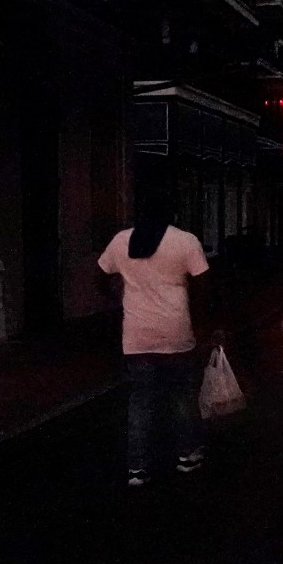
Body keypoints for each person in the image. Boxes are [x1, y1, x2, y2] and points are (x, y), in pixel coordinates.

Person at [97, 180, 210, 488]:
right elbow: (203, 289)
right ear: (171, 209)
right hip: (176, 333)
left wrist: (123, 295)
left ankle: (137, 467)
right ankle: (186, 455)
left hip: (136, 336)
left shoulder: (122, 241)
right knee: (182, 397)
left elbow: (101, 276)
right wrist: (206, 328)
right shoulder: (186, 242)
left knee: (141, 401)